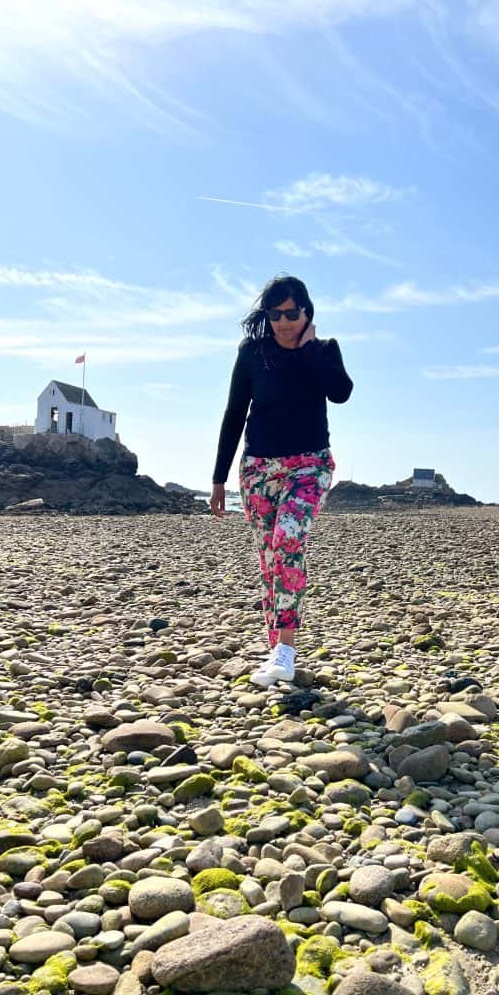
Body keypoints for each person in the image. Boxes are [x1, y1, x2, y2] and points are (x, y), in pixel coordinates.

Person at [210, 274, 353, 687]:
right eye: (275, 314)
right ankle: (277, 648)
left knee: (288, 541)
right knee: (270, 559)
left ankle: (286, 650)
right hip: (258, 469)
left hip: (310, 463)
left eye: (292, 313)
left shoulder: (324, 350)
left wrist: (309, 349)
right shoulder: (253, 352)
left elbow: (341, 392)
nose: (283, 321)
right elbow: (234, 413)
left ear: (307, 312)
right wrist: (219, 478)